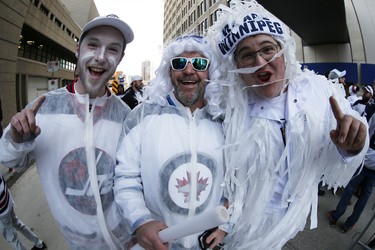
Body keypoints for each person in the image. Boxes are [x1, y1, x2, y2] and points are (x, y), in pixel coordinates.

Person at [207, 0, 369, 249]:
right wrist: (224, 223)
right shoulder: (228, 110)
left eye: (267, 49)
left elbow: (340, 149)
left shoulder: (318, 91)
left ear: (284, 51)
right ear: (236, 66)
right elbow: (225, 178)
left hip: (292, 218)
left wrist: (352, 145)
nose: (260, 61)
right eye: (247, 55)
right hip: (243, 224)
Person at [0, 14, 134, 249]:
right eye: (93, 44)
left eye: (113, 50)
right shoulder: (44, 108)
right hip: (77, 243)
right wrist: (15, 137)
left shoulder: (126, 116)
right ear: (78, 49)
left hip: (126, 240)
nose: (101, 57)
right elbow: (9, 160)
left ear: (120, 59)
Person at [114, 35, 228, 250]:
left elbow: (236, 181)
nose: (188, 70)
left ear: (210, 72)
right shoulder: (143, 116)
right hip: (156, 244)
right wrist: (141, 222)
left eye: (199, 63)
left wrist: (225, 222)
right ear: (169, 71)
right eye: (179, 63)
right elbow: (125, 178)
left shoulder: (224, 121)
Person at [328, 113, 375, 233]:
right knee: (364, 195)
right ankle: (348, 223)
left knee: (351, 189)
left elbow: (366, 135)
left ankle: (336, 216)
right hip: (369, 163)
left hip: (366, 159)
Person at [0, 172, 47, 250]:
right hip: (7, 199)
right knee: (17, 223)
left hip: (2, 211)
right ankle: (39, 244)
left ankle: (39, 244)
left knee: (12, 238)